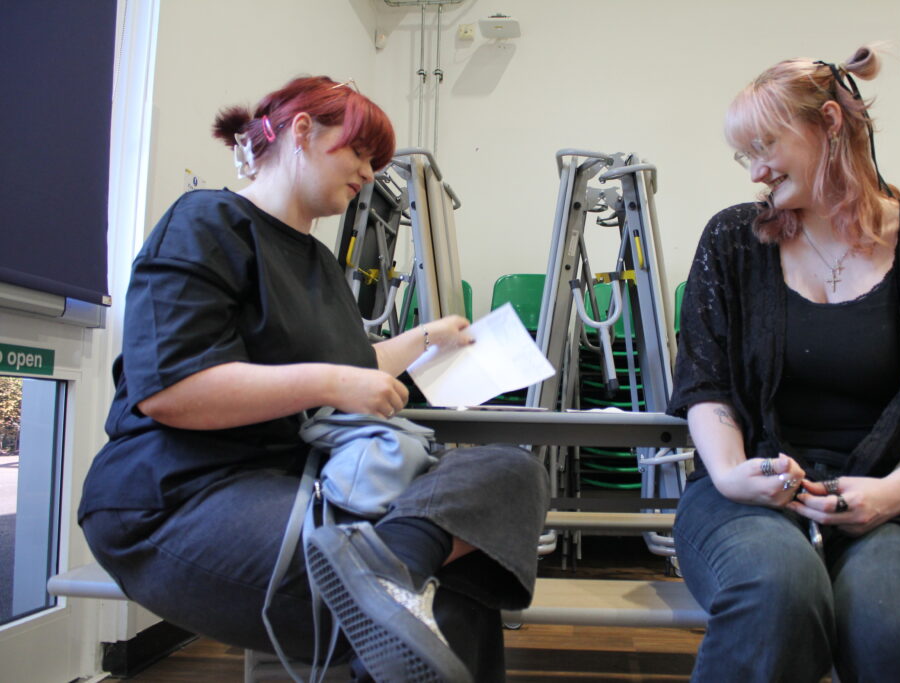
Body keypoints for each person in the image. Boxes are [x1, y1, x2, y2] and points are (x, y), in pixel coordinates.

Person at [78, 75, 549, 682]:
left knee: (512, 471)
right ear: (302, 130)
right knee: (451, 595)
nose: (370, 173)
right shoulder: (207, 223)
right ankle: (391, 581)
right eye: (359, 151)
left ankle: (389, 575)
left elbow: (347, 366)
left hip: (296, 480)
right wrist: (333, 383)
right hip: (179, 495)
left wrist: (429, 338)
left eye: (375, 161)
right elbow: (172, 391)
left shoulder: (321, 263)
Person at [669, 46, 900, 682]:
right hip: (745, 502)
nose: (755, 174)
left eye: (764, 147)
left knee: (893, 627)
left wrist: (887, 495)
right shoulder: (733, 241)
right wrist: (736, 475)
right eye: (745, 156)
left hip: (895, 504)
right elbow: (706, 387)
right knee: (777, 596)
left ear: (828, 122)